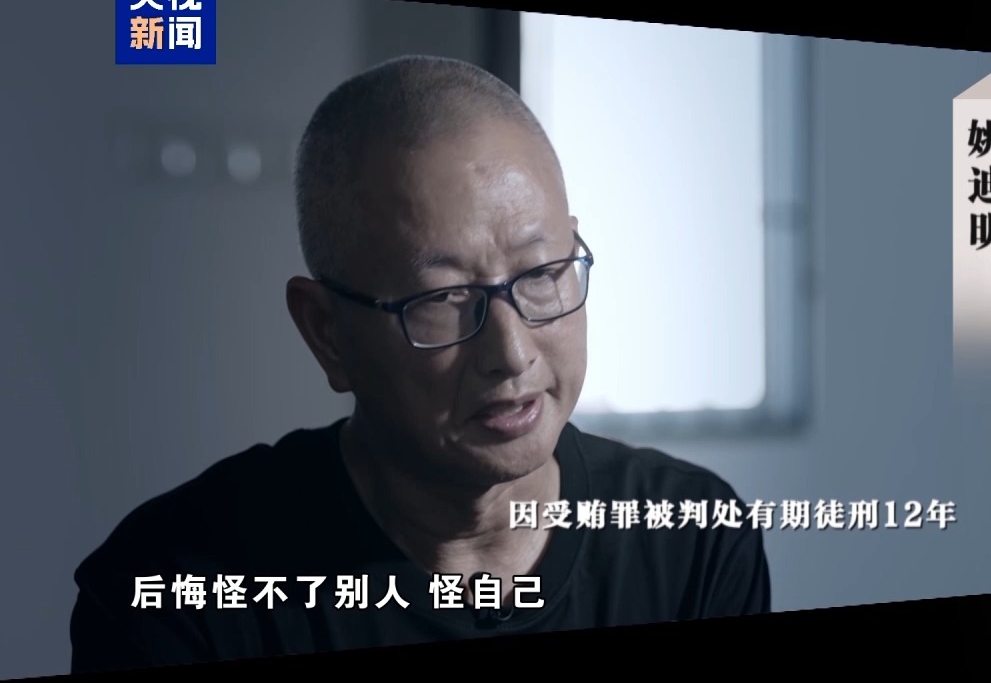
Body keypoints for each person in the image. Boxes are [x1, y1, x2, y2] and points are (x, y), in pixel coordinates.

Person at [69, 55, 771, 673]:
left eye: (541, 274)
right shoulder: (177, 590)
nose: (512, 352)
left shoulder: (690, 544)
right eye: (444, 299)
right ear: (327, 333)